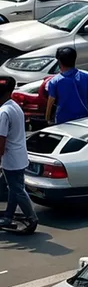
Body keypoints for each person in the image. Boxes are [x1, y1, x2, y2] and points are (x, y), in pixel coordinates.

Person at [0, 77, 38, 231]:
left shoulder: (3, 112)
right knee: (14, 187)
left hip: (11, 159)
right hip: (20, 157)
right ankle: (8, 216)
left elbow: (1, 140)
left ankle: (32, 218)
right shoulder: (14, 106)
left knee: (17, 189)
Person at [45, 47, 88, 125]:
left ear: (59, 62)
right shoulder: (86, 75)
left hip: (63, 121)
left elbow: (50, 103)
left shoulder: (55, 81)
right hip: (84, 119)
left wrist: (47, 119)